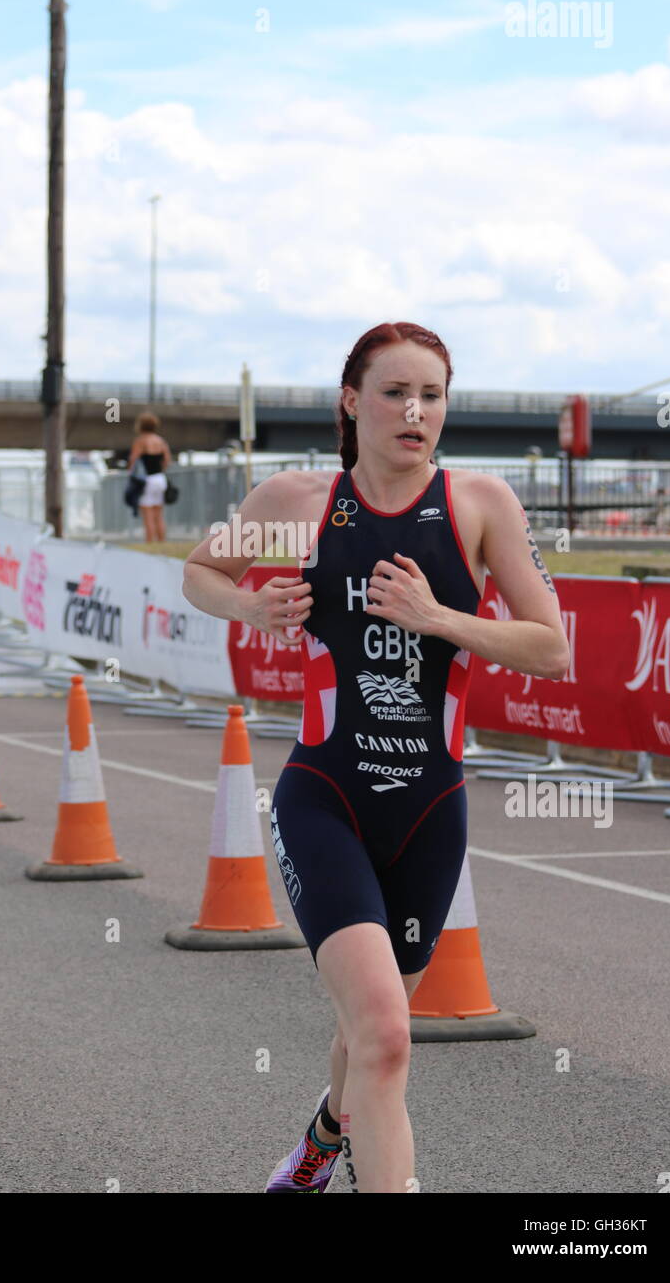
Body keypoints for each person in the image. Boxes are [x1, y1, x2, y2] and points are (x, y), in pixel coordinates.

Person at [181, 321, 570, 1194]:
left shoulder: (478, 506)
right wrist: (256, 611)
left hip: (430, 810)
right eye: (395, 392)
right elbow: (200, 573)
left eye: (432, 396)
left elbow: (552, 649)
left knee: (372, 1025)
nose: (414, 412)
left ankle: (320, 1148)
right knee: (389, 1035)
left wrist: (440, 618)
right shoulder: (297, 504)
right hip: (328, 798)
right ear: (351, 402)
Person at [128, 412, 172, 544]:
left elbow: (133, 459)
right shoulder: (161, 440)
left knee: (147, 514)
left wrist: (131, 473)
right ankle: (161, 542)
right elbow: (167, 460)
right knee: (158, 515)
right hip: (160, 478)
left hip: (147, 480)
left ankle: (149, 543)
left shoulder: (141, 440)